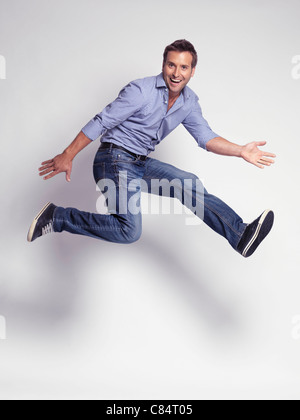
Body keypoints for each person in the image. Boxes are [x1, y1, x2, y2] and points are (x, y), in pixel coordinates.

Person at [27, 40, 276, 258]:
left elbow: (206, 138)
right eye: (171, 65)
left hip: (139, 163)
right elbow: (102, 120)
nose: (176, 73)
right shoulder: (141, 91)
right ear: (163, 65)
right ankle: (57, 217)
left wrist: (241, 150)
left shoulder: (189, 102)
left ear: (192, 71)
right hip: (113, 158)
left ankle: (240, 234)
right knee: (129, 231)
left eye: (183, 67)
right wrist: (68, 154)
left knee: (187, 183)